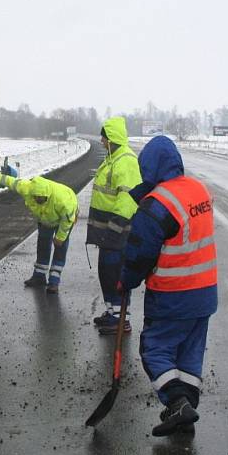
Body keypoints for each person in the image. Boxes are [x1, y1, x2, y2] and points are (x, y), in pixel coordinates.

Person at [117, 135, 217, 436]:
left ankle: (176, 403)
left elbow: (139, 253)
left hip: (174, 294)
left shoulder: (157, 204)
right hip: (205, 294)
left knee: (155, 349)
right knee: (189, 354)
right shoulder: (198, 189)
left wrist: (126, 280)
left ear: (149, 167)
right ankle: (185, 409)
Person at [86, 116, 142, 334]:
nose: (101, 141)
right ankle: (112, 313)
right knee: (106, 272)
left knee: (115, 274)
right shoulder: (112, 158)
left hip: (118, 231)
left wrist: (115, 228)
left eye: (104, 137)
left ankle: (121, 320)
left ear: (112, 138)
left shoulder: (125, 161)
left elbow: (127, 199)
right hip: (108, 231)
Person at [0, 167, 78, 294]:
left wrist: (60, 237)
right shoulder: (26, 188)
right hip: (45, 218)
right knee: (43, 244)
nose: (38, 200)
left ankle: (54, 281)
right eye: (36, 198)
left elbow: (67, 221)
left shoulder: (63, 201)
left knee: (60, 247)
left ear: (47, 196)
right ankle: (39, 276)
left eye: (41, 199)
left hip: (64, 219)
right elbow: (8, 180)